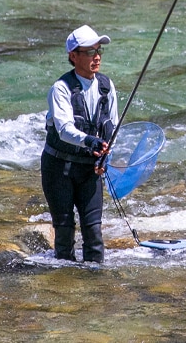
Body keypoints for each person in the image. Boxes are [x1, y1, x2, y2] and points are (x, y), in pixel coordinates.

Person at [41, 25, 119, 262]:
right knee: (64, 235)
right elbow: (64, 130)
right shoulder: (60, 89)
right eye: (89, 52)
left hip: (89, 170)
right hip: (59, 169)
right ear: (73, 56)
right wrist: (90, 141)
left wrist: (106, 157)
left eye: (98, 51)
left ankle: (95, 290)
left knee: (94, 234)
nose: (96, 57)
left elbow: (112, 127)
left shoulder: (107, 86)